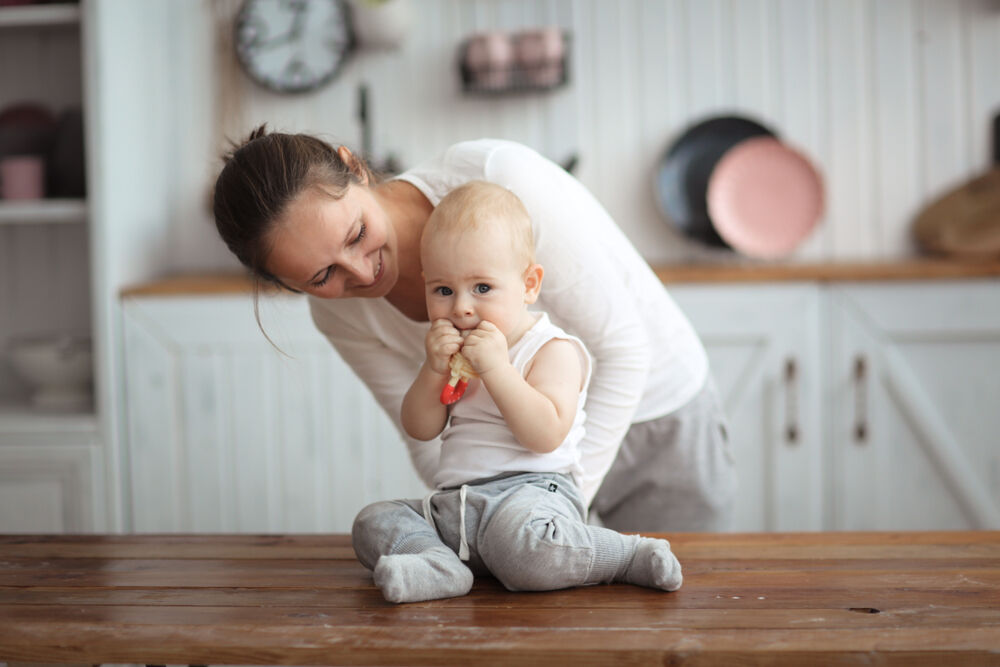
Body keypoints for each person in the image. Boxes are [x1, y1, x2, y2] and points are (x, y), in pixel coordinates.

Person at [212, 127, 735, 533]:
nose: (362, 273)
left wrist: (557, 506)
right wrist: (490, 517)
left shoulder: (500, 176)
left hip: (654, 421)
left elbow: (623, 351)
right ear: (285, 284)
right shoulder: (338, 315)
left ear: (354, 167)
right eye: (321, 276)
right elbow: (429, 443)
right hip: (521, 475)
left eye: (357, 234)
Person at [351, 180, 682, 602]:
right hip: (457, 505)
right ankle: (439, 565)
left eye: (482, 288)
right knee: (373, 521)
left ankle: (625, 555)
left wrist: (498, 370)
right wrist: (433, 370)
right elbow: (420, 427)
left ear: (529, 284)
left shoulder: (551, 349)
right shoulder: (450, 355)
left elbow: (545, 434)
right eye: (443, 290)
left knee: (524, 551)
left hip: (531, 499)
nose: (461, 307)